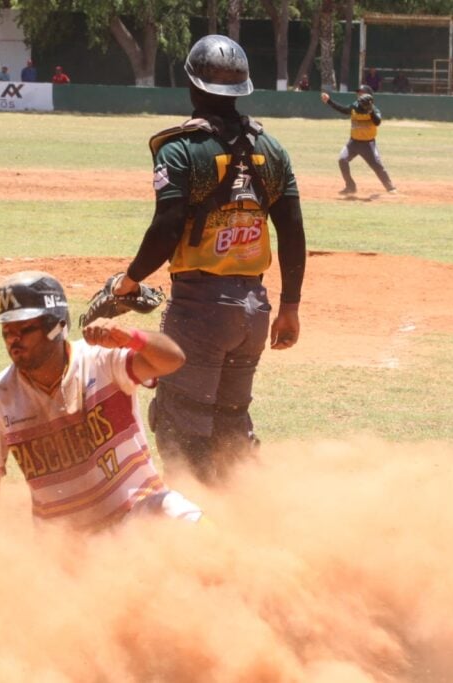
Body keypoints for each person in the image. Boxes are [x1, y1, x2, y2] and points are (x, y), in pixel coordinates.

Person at [102, 35, 306, 485]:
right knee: (231, 424)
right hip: (255, 310)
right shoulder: (271, 150)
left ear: (193, 87)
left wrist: (130, 281)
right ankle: (251, 516)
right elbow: (292, 232)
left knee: (181, 426)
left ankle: (197, 534)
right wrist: (290, 306)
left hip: (199, 311)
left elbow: (166, 227)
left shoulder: (181, 148)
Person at [0, 270, 205, 532]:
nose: (14, 340)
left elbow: (173, 359)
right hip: (66, 546)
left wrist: (131, 338)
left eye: (24, 329)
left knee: (183, 518)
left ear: (56, 326)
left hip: (137, 515)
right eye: (6, 331)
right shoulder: (0, 398)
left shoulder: (100, 361)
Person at [321, 84, 397, 195]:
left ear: (369, 96)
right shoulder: (354, 106)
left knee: (377, 166)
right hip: (353, 143)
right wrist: (329, 101)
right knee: (342, 160)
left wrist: (370, 111)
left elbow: (377, 122)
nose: (358, 95)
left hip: (368, 144)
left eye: (361, 93)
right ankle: (350, 187)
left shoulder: (374, 110)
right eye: (358, 93)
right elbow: (344, 110)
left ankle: (390, 187)